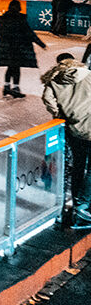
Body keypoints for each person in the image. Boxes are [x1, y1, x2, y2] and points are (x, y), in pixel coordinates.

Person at [41, 53, 91, 227]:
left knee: (78, 164)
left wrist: (58, 113)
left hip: (75, 129)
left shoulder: (54, 80)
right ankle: (83, 205)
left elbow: (47, 99)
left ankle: (77, 198)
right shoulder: (87, 74)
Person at [0, 0, 46, 99]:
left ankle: (7, 86)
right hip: (17, 47)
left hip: (5, 47)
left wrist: (4, 31)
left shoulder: (2, 18)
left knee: (11, 67)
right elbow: (29, 33)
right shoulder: (20, 19)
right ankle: (15, 88)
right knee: (15, 68)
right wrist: (41, 44)